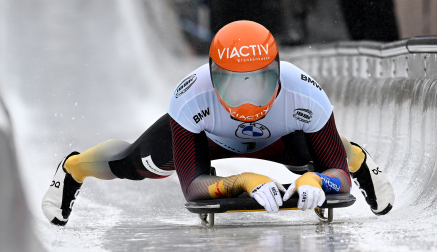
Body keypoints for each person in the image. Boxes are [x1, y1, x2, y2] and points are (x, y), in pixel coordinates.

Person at [42, 20, 394, 226]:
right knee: (137, 163)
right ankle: (74, 168)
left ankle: (359, 158)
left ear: (278, 73)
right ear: (212, 77)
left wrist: (318, 179)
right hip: (210, 137)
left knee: (322, 153)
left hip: (281, 138)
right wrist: (243, 181)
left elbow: (337, 175)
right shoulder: (190, 98)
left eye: (259, 83)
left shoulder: (307, 95)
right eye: (232, 83)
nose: (247, 102)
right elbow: (194, 188)